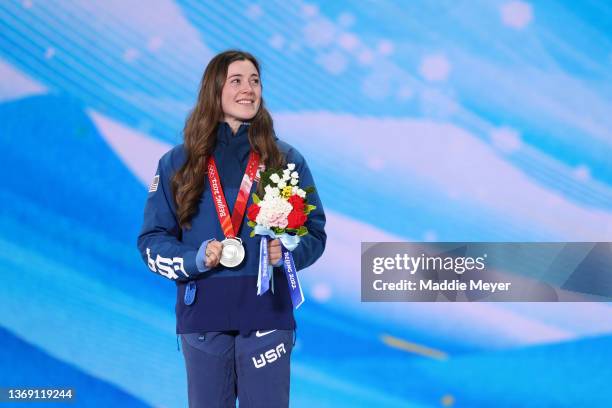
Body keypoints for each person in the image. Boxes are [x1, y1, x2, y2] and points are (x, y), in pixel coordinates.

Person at [136, 50, 326, 407]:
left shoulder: (286, 160)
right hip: (203, 320)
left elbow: (315, 232)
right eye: (236, 80)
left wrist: (286, 254)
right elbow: (151, 242)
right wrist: (194, 259)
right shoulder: (179, 162)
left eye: (254, 81)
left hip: (267, 317)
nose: (248, 89)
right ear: (214, 90)